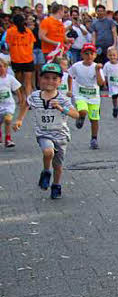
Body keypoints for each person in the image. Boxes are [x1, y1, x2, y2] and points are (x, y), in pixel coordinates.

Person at [12, 62, 77, 199]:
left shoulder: (63, 98)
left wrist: (61, 108)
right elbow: (26, 104)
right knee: (48, 151)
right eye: (46, 78)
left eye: (54, 79)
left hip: (61, 135)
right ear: (40, 79)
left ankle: (56, 185)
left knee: (58, 165)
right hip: (43, 133)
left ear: (60, 81)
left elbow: (75, 114)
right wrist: (19, 120)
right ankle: (46, 171)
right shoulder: (35, 96)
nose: (50, 81)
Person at [69, 43, 105, 150]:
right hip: (80, 94)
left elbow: (100, 83)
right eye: (86, 53)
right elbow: (70, 76)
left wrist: (98, 71)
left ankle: (94, 139)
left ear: (95, 55)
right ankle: (81, 117)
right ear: (82, 55)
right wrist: (70, 89)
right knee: (83, 110)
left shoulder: (96, 67)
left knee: (94, 119)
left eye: (91, 53)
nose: (89, 56)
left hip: (94, 96)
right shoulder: (76, 66)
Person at [5, 12, 36, 100]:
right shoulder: (28, 31)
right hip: (27, 58)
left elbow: (8, 45)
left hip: (16, 59)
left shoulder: (10, 31)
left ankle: (21, 99)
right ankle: (29, 99)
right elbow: (31, 45)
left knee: (19, 81)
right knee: (28, 82)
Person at [0, 57, 22, 148]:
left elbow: (16, 89)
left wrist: (20, 99)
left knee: (8, 120)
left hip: (8, 104)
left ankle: (8, 139)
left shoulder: (10, 78)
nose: (0, 69)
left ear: (6, 67)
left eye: (2, 66)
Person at [102, 46, 118, 121]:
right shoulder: (107, 65)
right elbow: (105, 75)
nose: (112, 57)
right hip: (112, 85)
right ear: (107, 56)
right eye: (110, 55)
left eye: (114, 55)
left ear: (117, 56)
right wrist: (105, 84)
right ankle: (115, 107)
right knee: (114, 98)